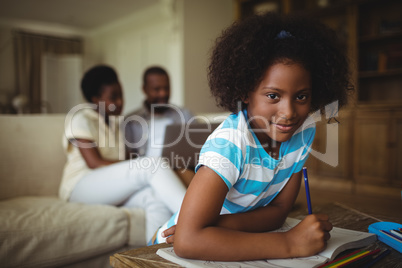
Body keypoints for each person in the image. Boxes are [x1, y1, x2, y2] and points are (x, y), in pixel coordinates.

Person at [151, 12, 352, 261]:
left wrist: (216, 229)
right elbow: (186, 242)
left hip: (214, 237)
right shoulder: (231, 144)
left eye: (301, 96)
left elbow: (279, 211)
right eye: (273, 96)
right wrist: (290, 243)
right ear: (245, 92)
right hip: (162, 251)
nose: (289, 113)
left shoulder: (303, 132)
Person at [59, 65, 187, 242]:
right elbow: (94, 163)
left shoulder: (116, 124)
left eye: (121, 95)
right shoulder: (81, 119)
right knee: (152, 164)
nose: (120, 102)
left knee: (155, 198)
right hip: (79, 186)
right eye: (113, 97)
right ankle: (195, 222)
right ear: (96, 99)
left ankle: (155, 256)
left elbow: (124, 162)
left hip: (106, 186)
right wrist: (141, 165)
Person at [125, 66, 194, 158]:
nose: (163, 93)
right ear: (144, 89)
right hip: (144, 168)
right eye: (157, 89)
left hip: (178, 167)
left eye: (166, 88)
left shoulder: (185, 115)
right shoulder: (131, 122)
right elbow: (128, 158)